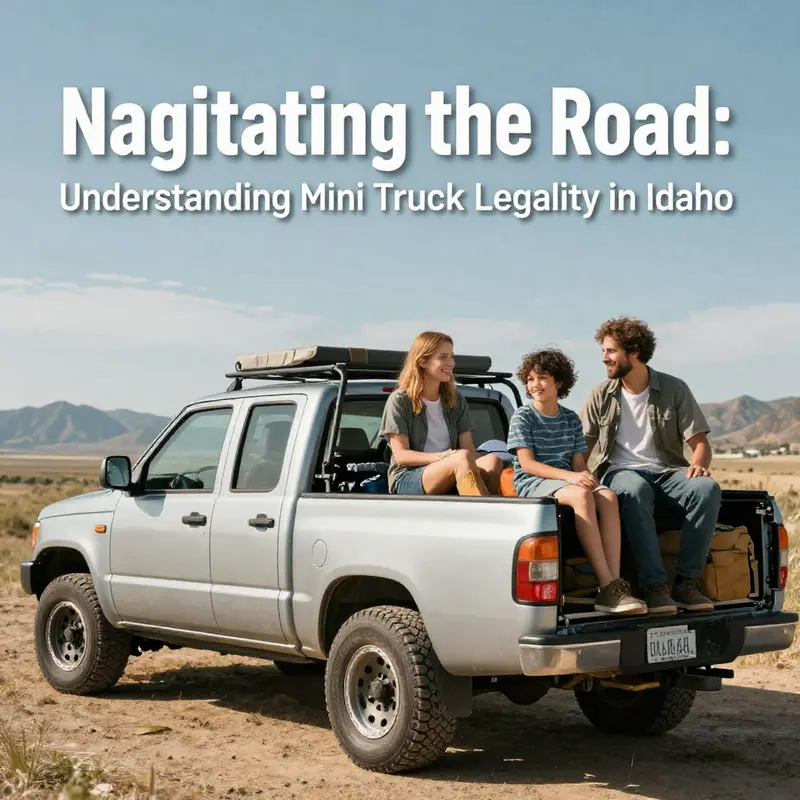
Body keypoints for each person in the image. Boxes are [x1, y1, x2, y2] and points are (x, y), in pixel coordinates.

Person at [581, 316, 721, 616]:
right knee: (635, 488)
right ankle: (654, 586)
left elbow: (700, 445)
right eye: (604, 351)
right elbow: (582, 450)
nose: (604, 358)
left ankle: (687, 582)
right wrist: (579, 477)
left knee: (706, 488)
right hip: (620, 473)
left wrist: (698, 465)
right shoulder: (600, 395)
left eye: (611, 351)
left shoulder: (674, 389)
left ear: (634, 353)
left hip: (668, 472)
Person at [507, 348, 647, 615]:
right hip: (534, 482)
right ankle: (606, 583)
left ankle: (613, 586)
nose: (535, 385)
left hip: (565, 481)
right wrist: (572, 478)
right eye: (531, 379)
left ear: (558, 382)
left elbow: (579, 464)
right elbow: (527, 465)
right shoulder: (523, 417)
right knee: (580, 496)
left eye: (543, 378)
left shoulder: (570, 418)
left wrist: (588, 478)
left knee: (607, 497)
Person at [379, 331, 504, 496]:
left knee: (491, 461)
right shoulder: (400, 400)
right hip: (407, 477)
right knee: (461, 458)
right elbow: (402, 455)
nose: (451, 362)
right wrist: (443, 457)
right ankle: (485, 516)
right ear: (422, 361)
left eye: (452, 356)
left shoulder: (456, 400)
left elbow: (468, 448)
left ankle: (486, 508)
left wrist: (504, 457)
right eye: (443, 357)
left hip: (453, 468)